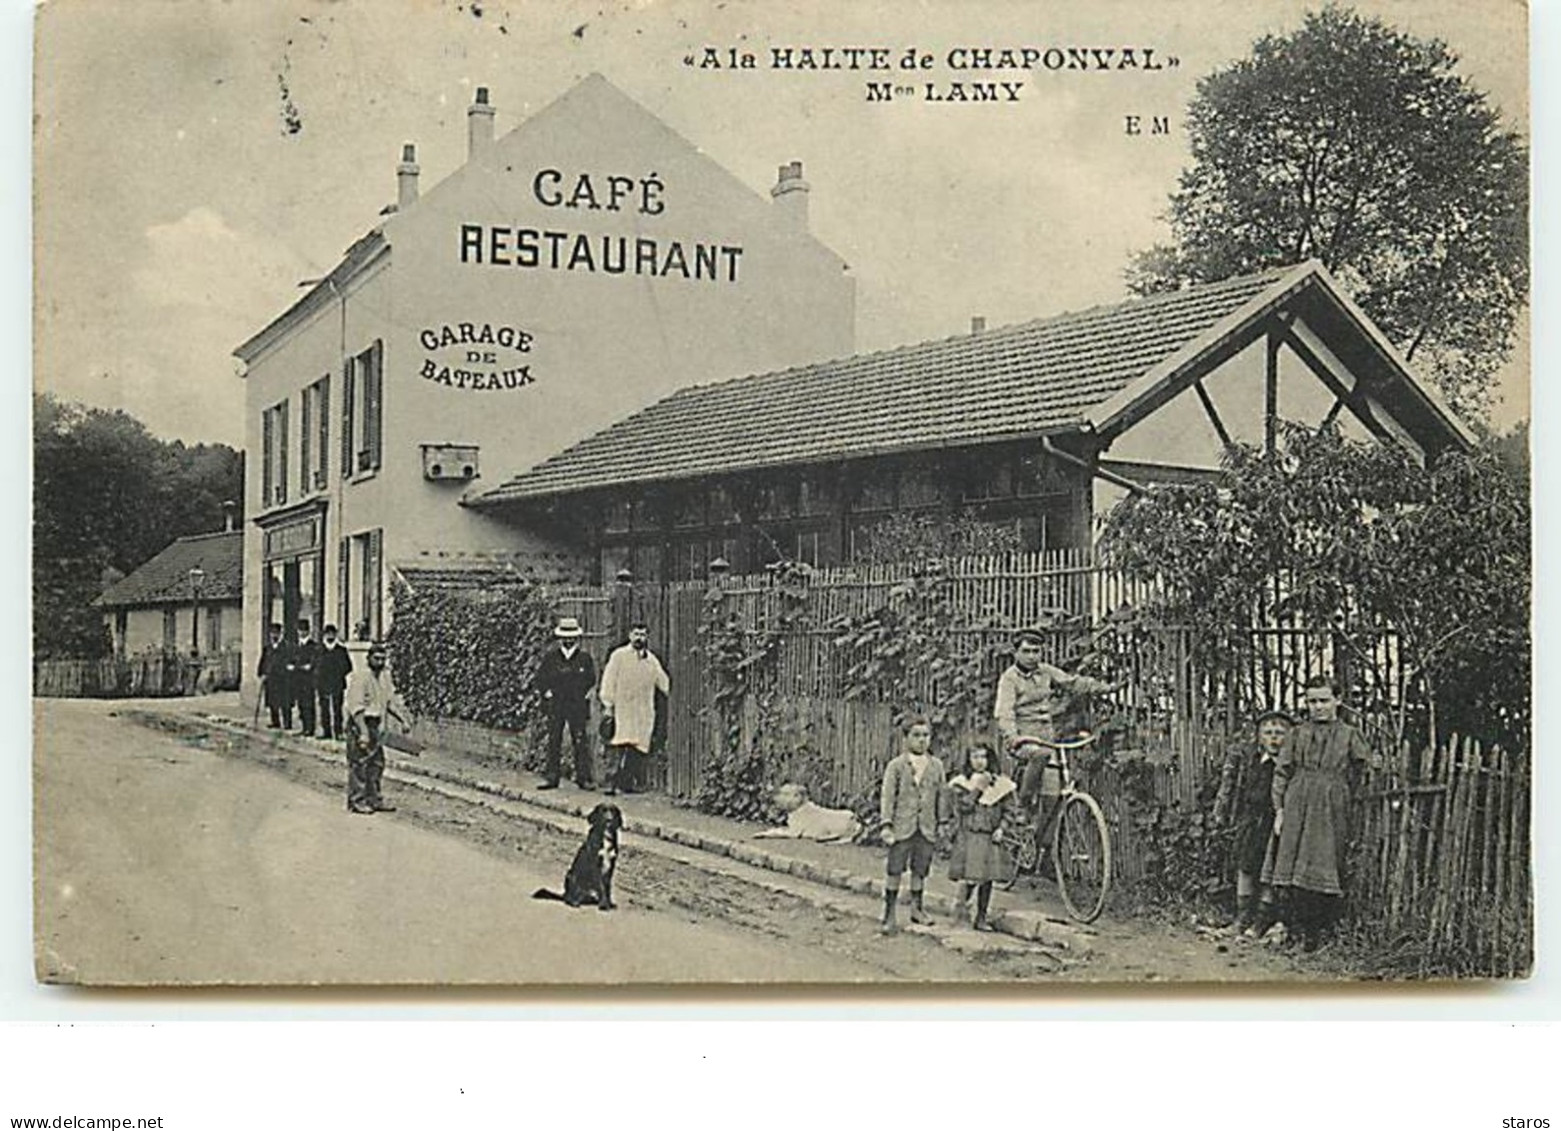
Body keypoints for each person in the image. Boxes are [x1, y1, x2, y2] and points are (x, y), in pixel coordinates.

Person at [1264, 675, 1372, 952]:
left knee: (1325, 860)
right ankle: (1300, 930)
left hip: (1331, 803)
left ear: (1337, 700)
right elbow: (1282, 772)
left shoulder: (1349, 734)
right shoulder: (1296, 734)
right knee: (1294, 863)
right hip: (1298, 800)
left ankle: (1322, 931)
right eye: (1312, 701)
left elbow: (1364, 769)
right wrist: (1280, 810)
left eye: (1324, 700)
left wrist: (1350, 795)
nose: (1318, 707)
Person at [993, 628, 1116, 814]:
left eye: (1036, 651)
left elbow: (1073, 682)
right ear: (1015, 653)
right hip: (1023, 740)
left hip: (1046, 738)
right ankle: (1022, 806)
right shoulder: (1009, 679)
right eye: (1026, 651)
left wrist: (1107, 688)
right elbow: (1004, 713)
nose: (1032, 656)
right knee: (1040, 755)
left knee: (1053, 798)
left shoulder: (1046, 671)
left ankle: (1044, 841)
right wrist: (1012, 736)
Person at [1211, 710, 1291, 937]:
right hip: (1250, 821)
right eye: (1268, 733)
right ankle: (1242, 918)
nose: (1274, 738)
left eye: (1279, 733)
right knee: (1245, 867)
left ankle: (1261, 921)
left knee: (1269, 872)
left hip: (1274, 822)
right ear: (1259, 737)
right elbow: (1236, 789)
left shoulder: (1289, 765)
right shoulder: (1251, 762)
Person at [877, 717, 952, 935]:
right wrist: (886, 824)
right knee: (895, 868)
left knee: (920, 869)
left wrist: (942, 822)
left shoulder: (936, 765)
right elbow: (888, 796)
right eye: (916, 735)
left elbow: (942, 796)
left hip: (926, 827)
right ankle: (889, 913)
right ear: (906, 738)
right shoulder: (897, 766)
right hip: (902, 826)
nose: (921, 740)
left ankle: (917, 909)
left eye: (926, 736)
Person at [946, 744, 1017, 931]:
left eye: (983, 757)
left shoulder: (1001, 785)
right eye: (974, 757)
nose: (979, 761)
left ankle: (981, 917)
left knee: (987, 879)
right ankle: (961, 911)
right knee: (970, 877)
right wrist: (978, 789)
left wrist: (1002, 828)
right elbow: (964, 807)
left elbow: (1010, 810)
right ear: (968, 760)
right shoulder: (962, 783)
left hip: (990, 836)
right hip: (970, 835)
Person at [598, 621, 669, 796]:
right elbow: (608, 681)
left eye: (643, 634)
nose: (640, 638)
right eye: (636, 634)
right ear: (630, 636)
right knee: (618, 745)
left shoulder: (651, 660)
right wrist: (608, 705)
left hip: (643, 711)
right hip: (622, 708)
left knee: (637, 747)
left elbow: (664, 683)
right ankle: (611, 783)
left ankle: (627, 783)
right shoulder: (619, 656)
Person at [343, 641, 408, 815]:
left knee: (377, 764)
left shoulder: (383, 678)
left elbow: (388, 703)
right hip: (360, 724)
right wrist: (363, 732)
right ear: (368, 658)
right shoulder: (361, 677)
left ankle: (374, 799)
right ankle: (357, 801)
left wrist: (403, 721)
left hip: (375, 725)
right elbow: (355, 707)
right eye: (376, 658)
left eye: (382, 659)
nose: (379, 662)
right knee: (360, 764)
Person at [536, 616, 598, 790]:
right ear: (560, 638)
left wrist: (584, 694)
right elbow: (541, 679)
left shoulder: (584, 658)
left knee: (579, 739)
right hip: (557, 704)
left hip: (576, 704)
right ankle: (552, 777)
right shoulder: (551, 658)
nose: (568, 640)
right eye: (565, 636)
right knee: (554, 739)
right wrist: (547, 692)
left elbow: (590, 680)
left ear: (576, 638)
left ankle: (583, 778)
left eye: (572, 636)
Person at [315, 623, 354, 740]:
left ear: (335, 635)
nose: (330, 636)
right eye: (328, 633)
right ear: (324, 635)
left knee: (337, 708)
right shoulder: (319, 650)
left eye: (332, 633)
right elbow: (315, 666)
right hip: (323, 683)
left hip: (337, 683)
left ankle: (338, 731)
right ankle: (326, 731)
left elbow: (348, 666)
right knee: (324, 708)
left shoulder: (341, 650)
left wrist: (338, 672)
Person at [257, 622, 294, 729]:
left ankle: (287, 723)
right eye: (272, 633)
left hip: (283, 679)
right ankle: (275, 722)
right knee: (273, 702)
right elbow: (263, 662)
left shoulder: (286, 647)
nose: (274, 635)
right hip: (271, 679)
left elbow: (290, 661)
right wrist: (262, 673)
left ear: (280, 634)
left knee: (285, 702)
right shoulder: (267, 648)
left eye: (276, 633)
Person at [291, 617, 321, 737]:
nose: (302, 633)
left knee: (309, 703)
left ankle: (310, 728)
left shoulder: (313, 646)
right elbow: (292, 659)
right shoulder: (296, 646)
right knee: (301, 703)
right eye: (300, 630)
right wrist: (292, 665)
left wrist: (310, 666)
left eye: (304, 630)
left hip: (308, 680)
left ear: (308, 631)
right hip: (298, 678)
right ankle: (304, 727)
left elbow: (314, 662)